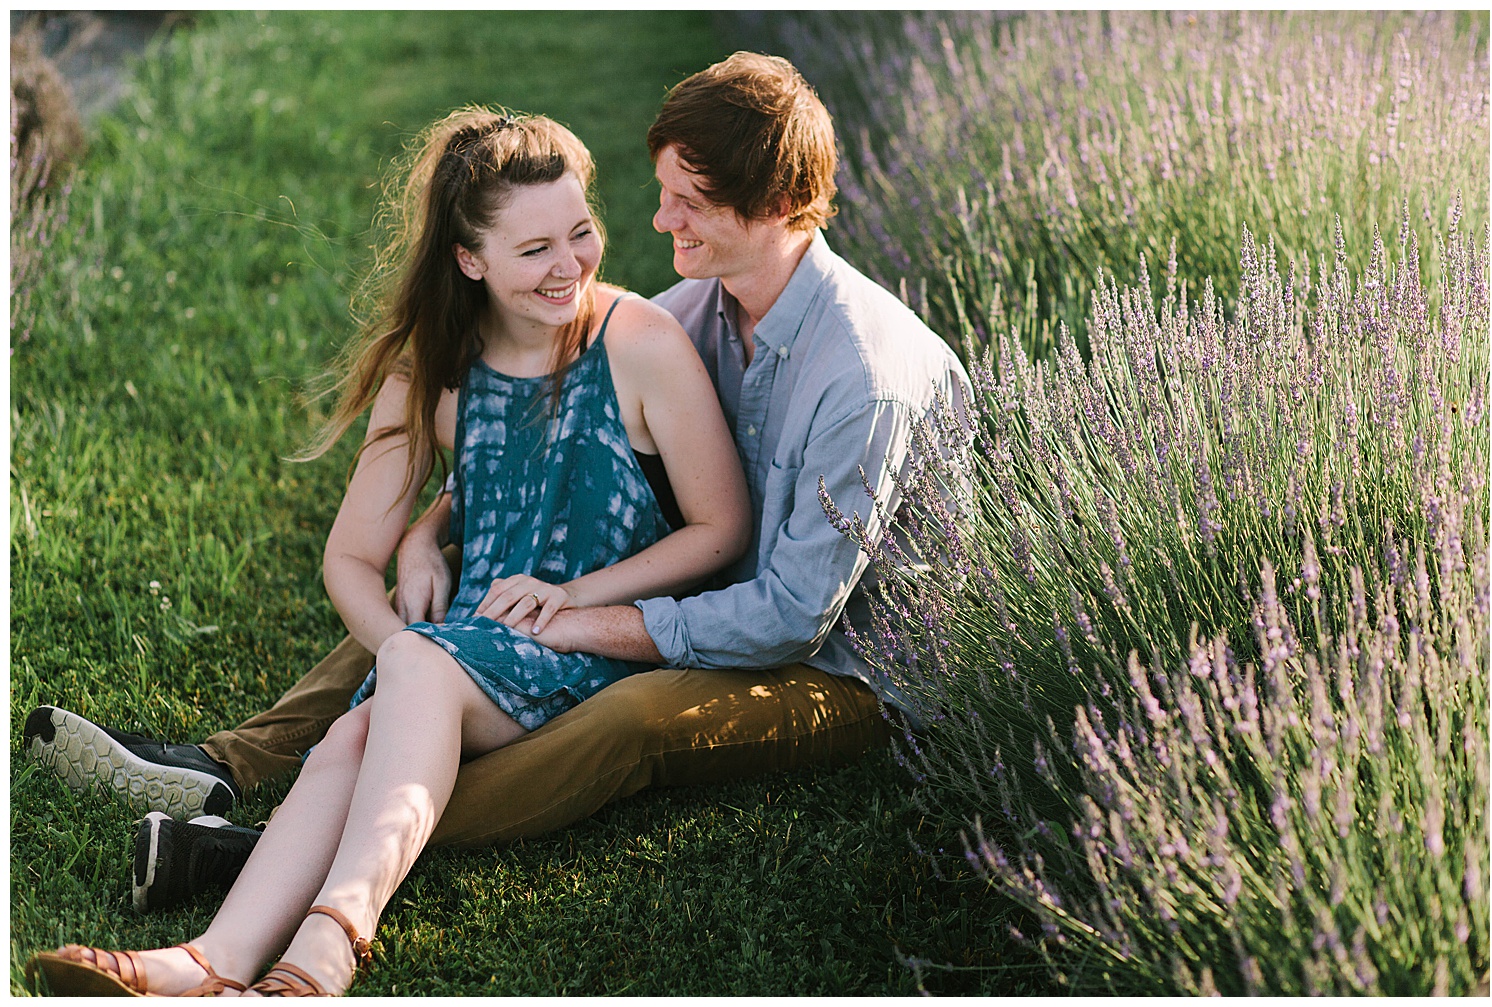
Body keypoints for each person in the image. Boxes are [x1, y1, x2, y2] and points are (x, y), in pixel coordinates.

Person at [26, 51, 972, 926]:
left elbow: (789, 616)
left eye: (688, 203)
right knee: (430, 635)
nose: (658, 224)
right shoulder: (700, 309)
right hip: (715, 595)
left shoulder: (862, 375)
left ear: (771, 206)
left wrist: (576, 618)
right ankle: (217, 765)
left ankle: (265, 854)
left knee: (628, 720)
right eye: (660, 194)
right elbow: (567, 442)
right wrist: (429, 530)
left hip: (845, 666)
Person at [25, 107, 751, 996]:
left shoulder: (638, 343)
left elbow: (721, 530)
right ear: (468, 259)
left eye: (580, 232)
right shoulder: (436, 369)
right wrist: (404, 643)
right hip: (462, 658)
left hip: (590, 652)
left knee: (376, 711)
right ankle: (211, 963)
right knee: (351, 735)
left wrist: (577, 597)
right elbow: (348, 561)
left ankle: (316, 952)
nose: (569, 266)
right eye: (534, 252)